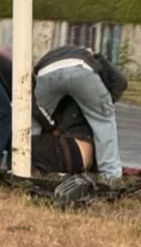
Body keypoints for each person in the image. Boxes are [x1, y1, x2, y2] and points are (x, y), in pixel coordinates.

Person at [0, 50, 95, 175]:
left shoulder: (8, 69)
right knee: (5, 117)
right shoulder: (25, 79)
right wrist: (52, 127)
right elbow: (34, 107)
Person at [33, 45, 128, 180]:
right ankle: (111, 175)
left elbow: (36, 74)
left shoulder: (54, 53)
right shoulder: (93, 56)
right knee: (103, 122)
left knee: (33, 118)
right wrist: (105, 104)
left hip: (46, 72)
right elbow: (121, 82)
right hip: (81, 69)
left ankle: (23, 161)